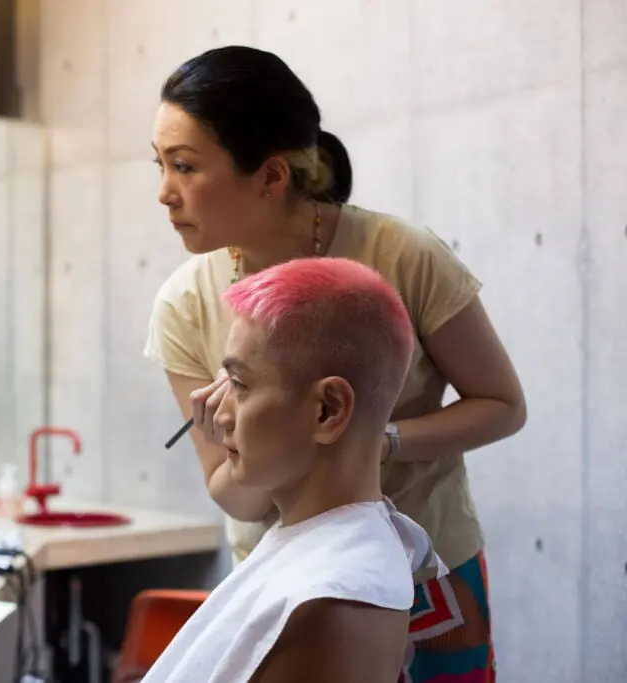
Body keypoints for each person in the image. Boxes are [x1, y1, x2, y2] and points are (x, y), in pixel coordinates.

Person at [145, 46, 526, 682]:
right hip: (289, 584)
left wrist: (376, 441)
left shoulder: (404, 256)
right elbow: (238, 500)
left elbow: (504, 406)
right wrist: (241, 442)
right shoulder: (184, 304)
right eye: (159, 165)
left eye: (184, 166)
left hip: (430, 569)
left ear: (271, 176)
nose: (164, 193)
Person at [143, 257, 444, 683]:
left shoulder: (332, 601)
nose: (220, 415)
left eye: (239, 385)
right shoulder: (320, 554)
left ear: (327, 410)